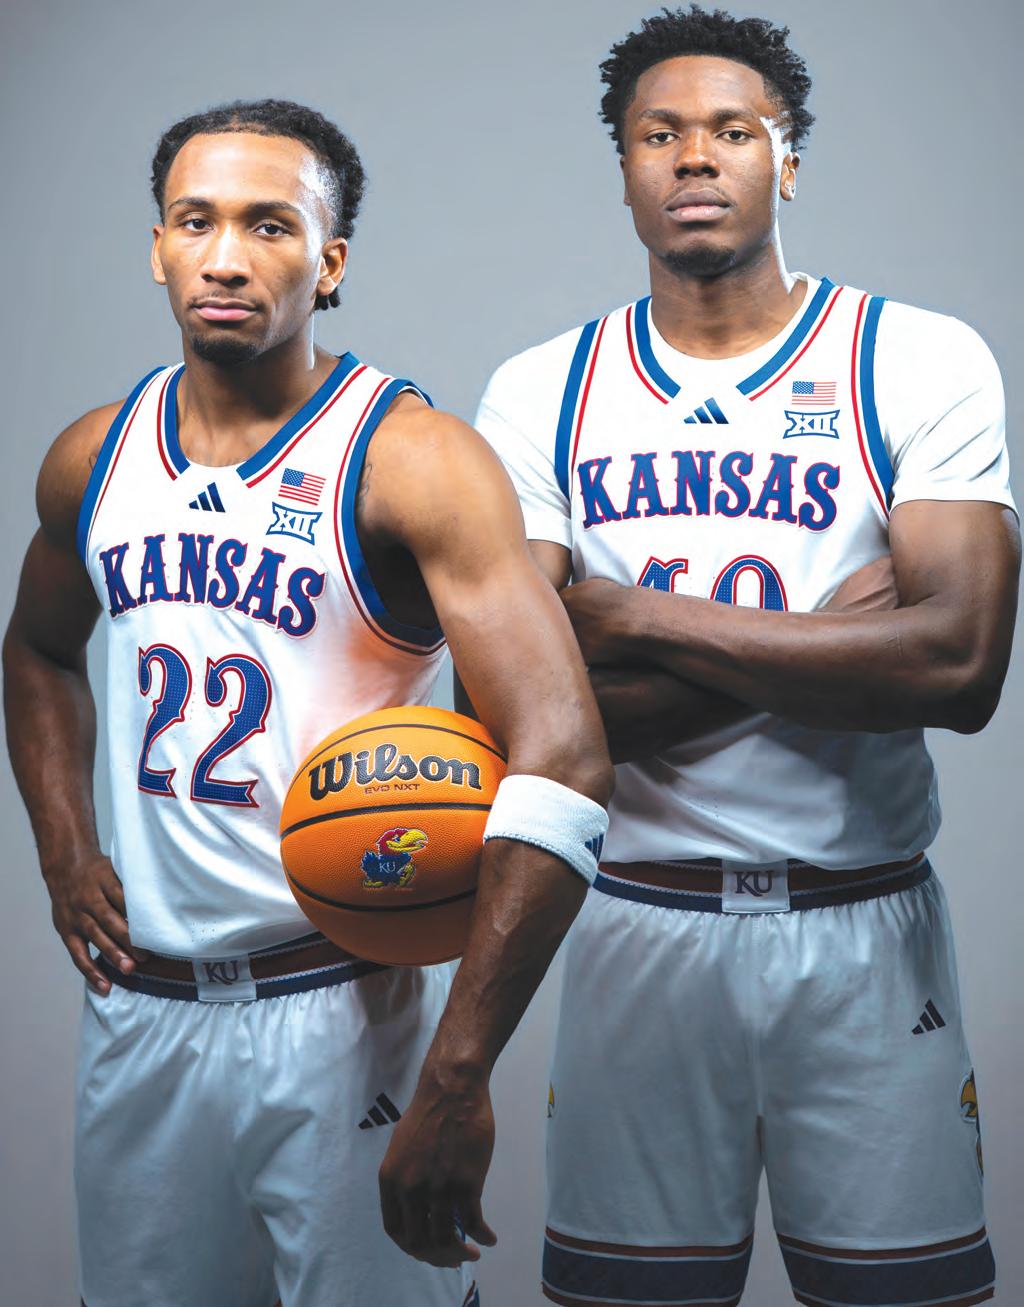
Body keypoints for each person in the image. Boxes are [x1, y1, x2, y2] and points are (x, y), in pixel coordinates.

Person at [385, 9, 1019, 1306]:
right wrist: (840, 636)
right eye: (657, 134)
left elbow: (959, 666)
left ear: (789, 161)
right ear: (622, 168)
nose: (693, 156)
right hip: (637, 925)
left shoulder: (915, 358)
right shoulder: (543, 389)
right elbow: (507, 719)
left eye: (733, 130)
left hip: (862, 923)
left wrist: (628, 618)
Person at [2, 98, 613, 1307]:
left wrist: (459, 1065)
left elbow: (565, 754)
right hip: (143, 1010)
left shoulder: (410, 459)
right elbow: (36, 650)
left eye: (269, 225)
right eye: (195, 221)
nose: (226, 256)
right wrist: (65, 850)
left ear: (329, 263)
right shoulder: (94, 456)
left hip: (338, 1003)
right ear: (158, 247)